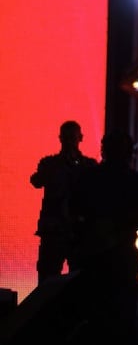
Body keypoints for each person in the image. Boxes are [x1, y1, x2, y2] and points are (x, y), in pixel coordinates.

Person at [70, 130, 138, 345]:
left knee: (92, 322)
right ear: (129, 153)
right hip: (122, 260)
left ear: (103, 150)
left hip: (92, 259)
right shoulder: (137, 182)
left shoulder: (88, 178)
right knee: (123, 321)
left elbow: (73, 212)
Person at [29, 119, 99, 282]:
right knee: (48, 279)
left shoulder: (89, 166)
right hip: (55, 231)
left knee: (79, 279)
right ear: (60, 138)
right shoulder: (50, 164)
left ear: (80, 138)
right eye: (66, 138)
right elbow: (36, 181)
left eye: (72, 138)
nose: (69, 142)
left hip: (79, 231)